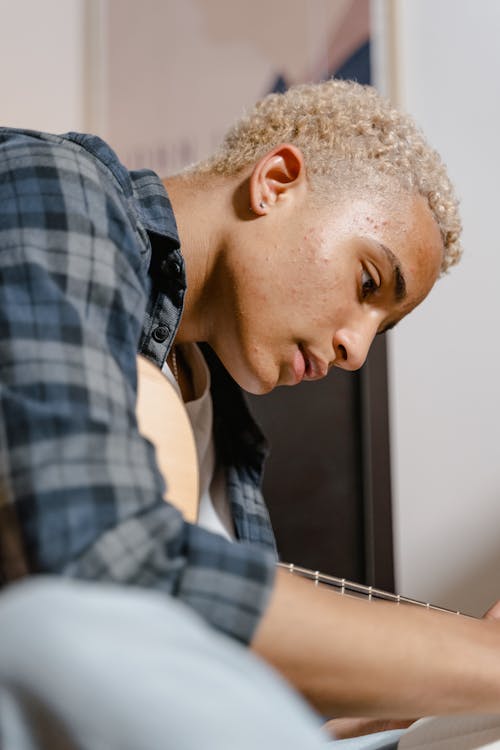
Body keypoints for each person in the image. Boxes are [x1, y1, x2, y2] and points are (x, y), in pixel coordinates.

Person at [1, 80, 499, 749]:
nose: (354, 349)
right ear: (276, 181)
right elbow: (109, 575)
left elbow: (210, 683)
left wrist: (410, 701)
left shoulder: (224, 423)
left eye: (377, 331)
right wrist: (479, 657)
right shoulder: (60, 189)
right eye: (367, 283)